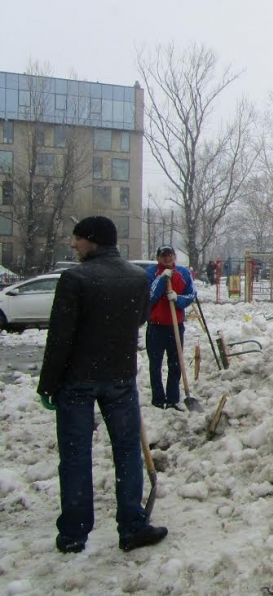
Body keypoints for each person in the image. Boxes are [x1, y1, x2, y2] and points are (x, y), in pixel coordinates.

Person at [37, 216, 168, 554]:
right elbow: (139, 317)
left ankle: (73, 534)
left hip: (78, 380)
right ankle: (132, 526)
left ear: (92, 241)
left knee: (76, 456)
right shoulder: (136, 277)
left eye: (77, 239)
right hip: (121, 378)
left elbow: (60, 336)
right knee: (127, 453)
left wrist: (47, 384)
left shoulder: (75, 278)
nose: (73, 244)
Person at [145, 245, 197, 410]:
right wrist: (161, 280)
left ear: (174, 256)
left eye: (170, 255)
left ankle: (173, 398)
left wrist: (178, 299)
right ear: (158, 258)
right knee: (155, 364)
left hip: (175, 325)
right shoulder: (150, 273)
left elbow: (191, 295)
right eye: (163, 256)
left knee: (176, 363)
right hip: (156, 327)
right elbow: (149, 298)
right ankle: (158, 399)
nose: (167, 258)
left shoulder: (183, 273)